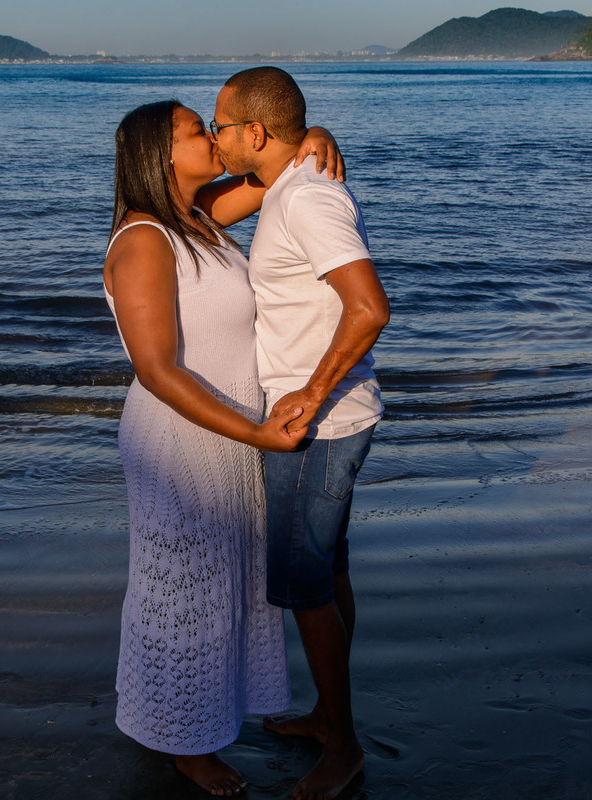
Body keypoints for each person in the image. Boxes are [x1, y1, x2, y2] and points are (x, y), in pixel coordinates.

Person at [103, 99, 345, 797]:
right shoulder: (144, 239)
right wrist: (258, 432)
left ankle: (200, 719)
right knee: (182, 588)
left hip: (228, 425)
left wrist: (314, 133)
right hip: (182, 438)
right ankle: (184, 742)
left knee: (219, 583)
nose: (212, 137)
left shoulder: (197, 217)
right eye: (196, 131)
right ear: (161, 155)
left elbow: (274, 173)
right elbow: (158, 370)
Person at [210, 67, 390, 800]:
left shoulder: (307, 197)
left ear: (255, 132)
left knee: (306, 584)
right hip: (324, 421)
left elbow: (369, 307)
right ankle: (327, 715)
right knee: (327, 571)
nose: (216, 136)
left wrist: (311, 394)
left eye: (221, 125)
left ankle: (342, 747)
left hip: (318, 425)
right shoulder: (288, 186)